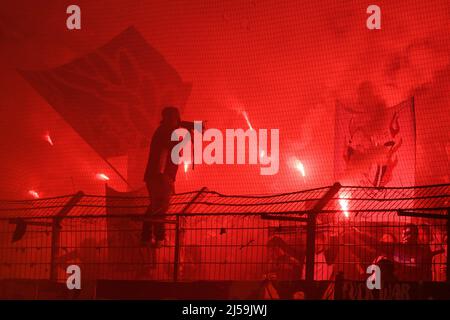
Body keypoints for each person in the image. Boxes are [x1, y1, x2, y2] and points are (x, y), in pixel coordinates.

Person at [141, 106, 181, 248]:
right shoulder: (167, 132)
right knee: (160, 207)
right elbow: (172, 152)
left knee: (156, 206)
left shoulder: (163, 131)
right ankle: (158, 237)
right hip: (160, 177)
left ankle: (148, 237)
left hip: (159, 176)